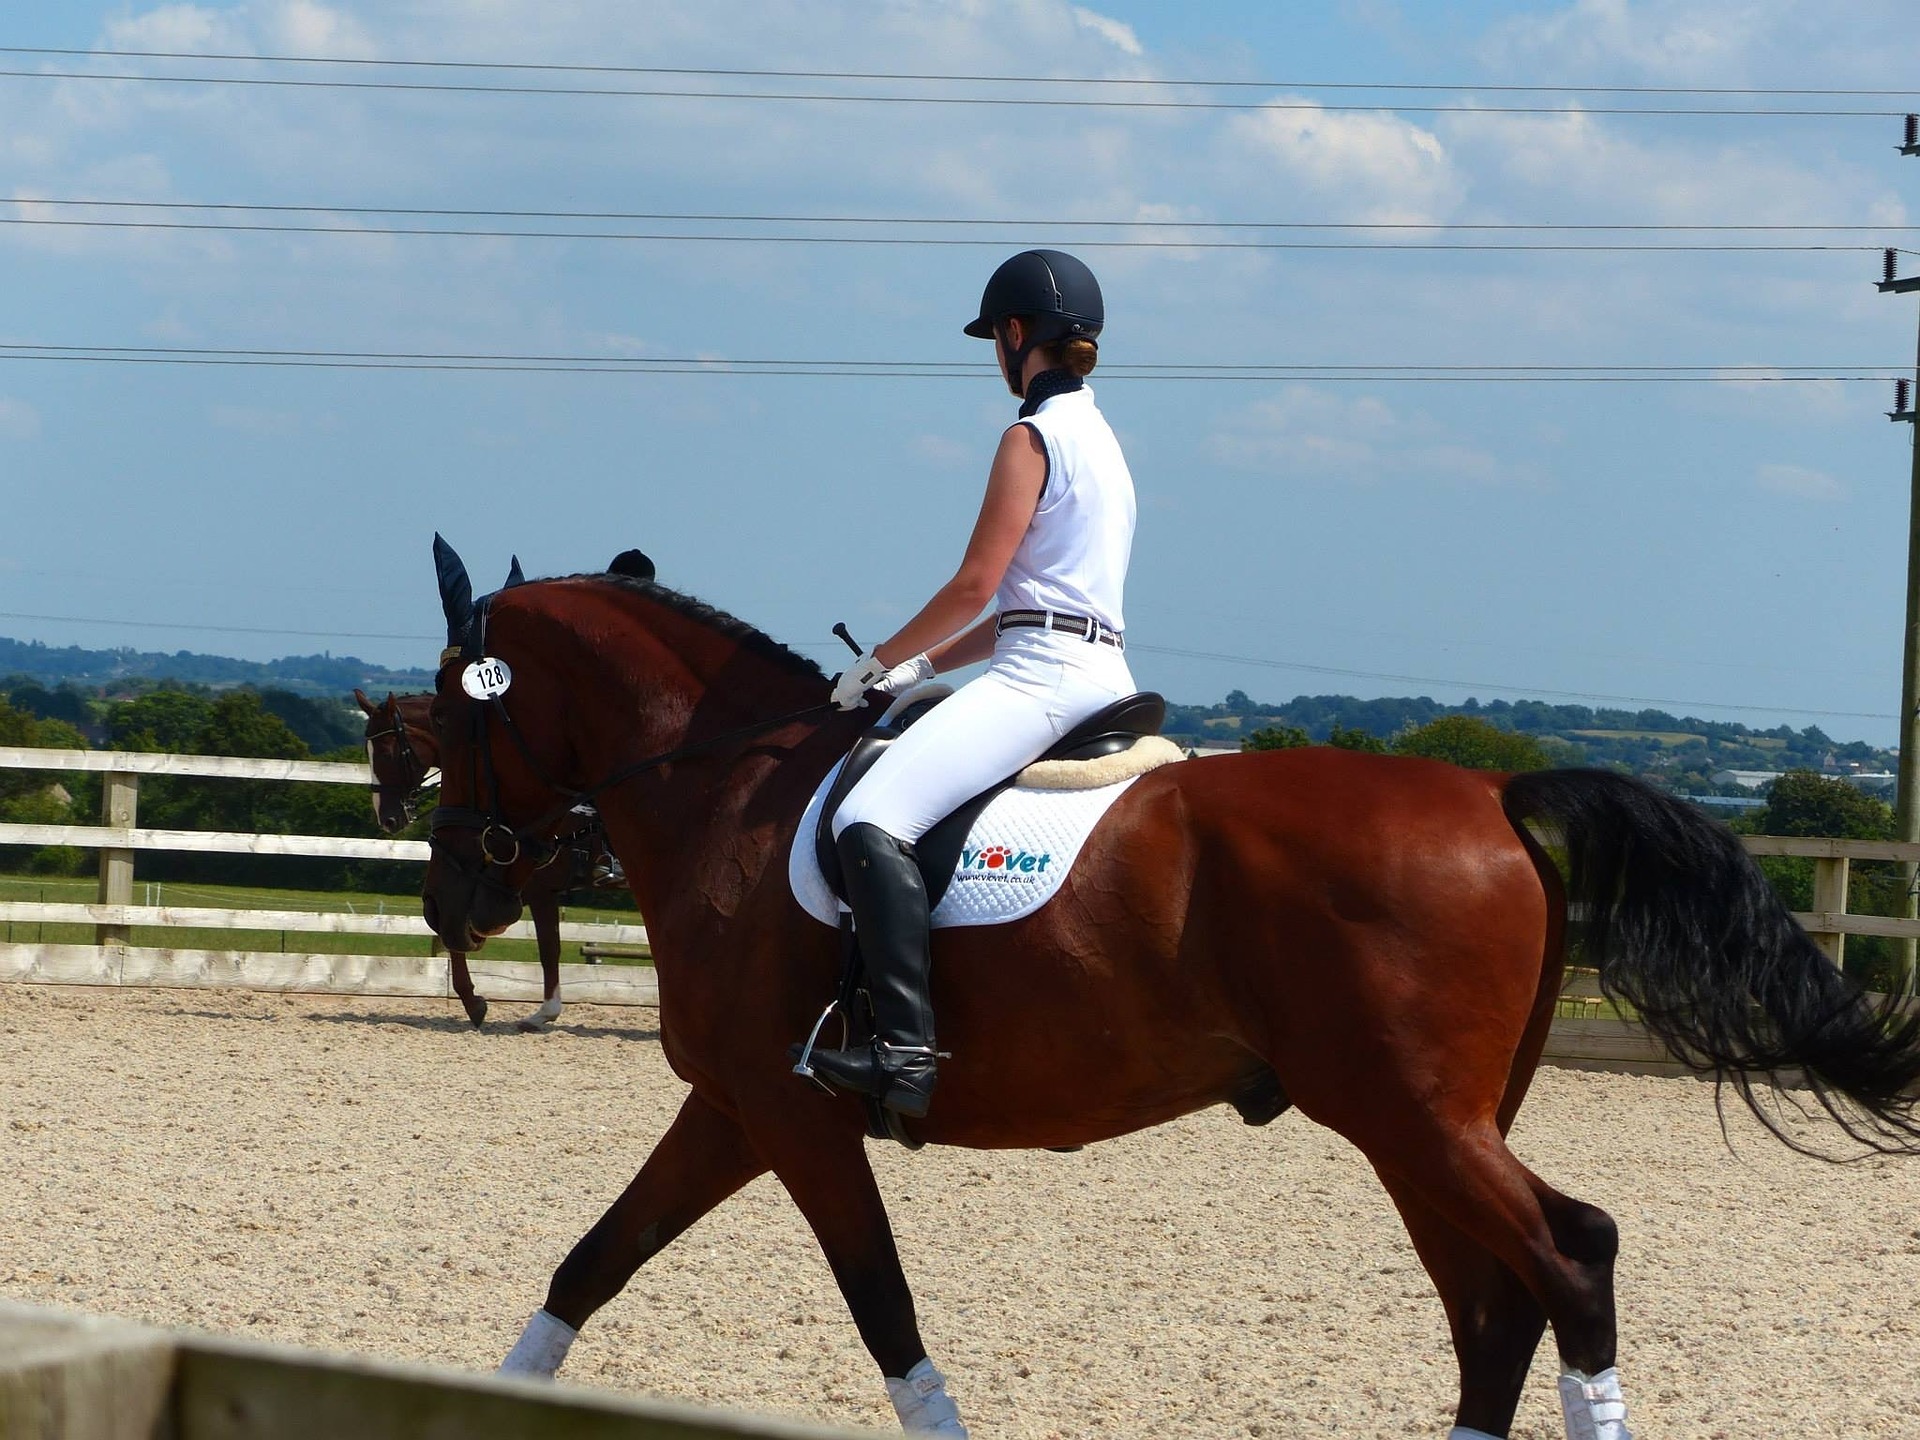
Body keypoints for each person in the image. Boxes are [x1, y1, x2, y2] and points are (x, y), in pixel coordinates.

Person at [800, 249, 1138, 1118]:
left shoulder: (1031, 437)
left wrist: (873, 661)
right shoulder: (1105, 442)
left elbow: (974, 587)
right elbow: (1028, 608)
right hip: (1103, 670)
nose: (996, 353)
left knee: (868, 817)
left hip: (1043, 682)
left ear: (1015, 335)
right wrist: (920, 668)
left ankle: (904, 1053)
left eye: (996, 338)